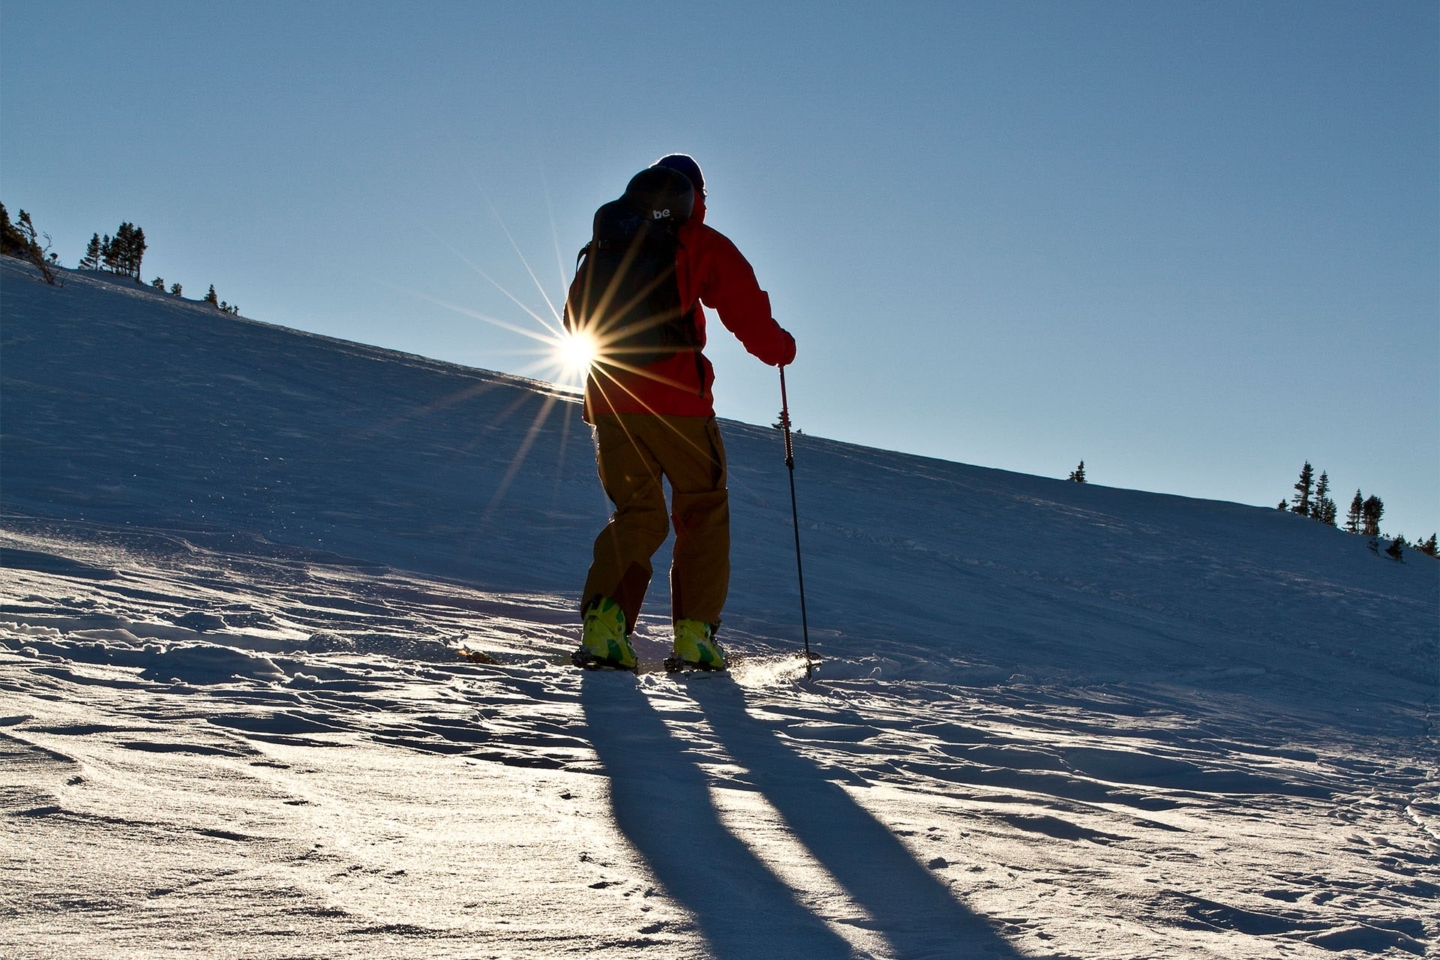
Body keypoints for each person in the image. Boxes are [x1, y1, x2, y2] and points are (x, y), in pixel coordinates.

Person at [572, 154, 796, 671]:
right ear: (693, 196)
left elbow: (573, 317)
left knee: (638, 514)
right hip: (679, 405)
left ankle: (605, 629)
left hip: (609, 398)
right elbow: (749, 314)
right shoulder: (699, 241)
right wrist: (781, 348)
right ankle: (695, 637)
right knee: (702, 509)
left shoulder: (609, 240)